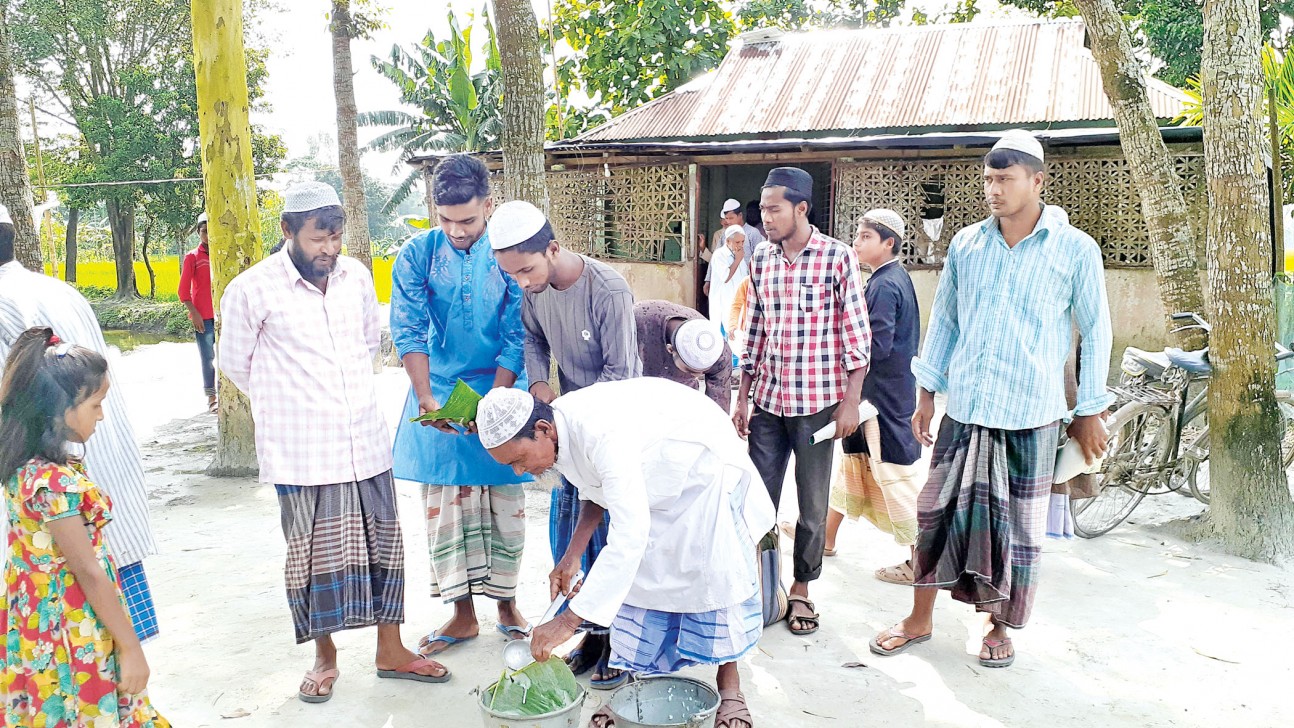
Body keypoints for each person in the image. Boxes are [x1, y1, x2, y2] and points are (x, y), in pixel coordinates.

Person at [869, 131, 1113, 668]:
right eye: (988, 179)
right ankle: (919, 618)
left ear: (1037, 180)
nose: (993, 190)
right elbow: (947, 321)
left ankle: (998, 625)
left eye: (1005, 179)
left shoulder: (1074, 249)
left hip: (1032, 414)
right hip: (968, 407)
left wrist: (1090, 408)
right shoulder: (967, 244)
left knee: (1018, 532)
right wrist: (926, 391)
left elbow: (1096, 331)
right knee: (934, 513)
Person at [219, 182, 448, 704]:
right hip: (301, 452)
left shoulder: (357, 278)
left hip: (364, 443)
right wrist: (293, 399)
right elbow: (236, 364)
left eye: (336, 237)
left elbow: (369, 340)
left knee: (384, 548)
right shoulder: (252, 289)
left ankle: (391, 649)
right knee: (310, 559)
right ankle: (325, 658)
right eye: (318, 238)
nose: (329, 249)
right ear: (288, 233)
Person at [477, 379, 773, 728]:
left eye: (519, 459)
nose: (518, 471)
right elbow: (596, 487)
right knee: (640, 579)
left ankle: (731, 689)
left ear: (542, 430)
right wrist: (572, 555)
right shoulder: (561, 430)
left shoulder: (600, 434)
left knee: (713, 578)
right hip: (654, 487)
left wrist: (567, 622)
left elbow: (630, 533)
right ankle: (631, 692)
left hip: (704, 476)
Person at [490, 200, 641, 690]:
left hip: (608, 429)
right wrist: (538, 386)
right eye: (511, 274)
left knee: (619, 536)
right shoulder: (532, 289)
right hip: (560, 432)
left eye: (527, 269)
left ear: (553, 249)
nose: (522, 282)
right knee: (571, 540)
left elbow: (622, 377)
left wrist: (576, 423)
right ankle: (592, 638)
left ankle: (622, 643)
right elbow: (532, 340)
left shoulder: (608, 289)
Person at [388, 154, 532, 657]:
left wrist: (494, 401)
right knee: (449, 508)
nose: (456, 230)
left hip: (504, 388)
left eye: (467, 220)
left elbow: (517, 332)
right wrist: (427, 397)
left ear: (487, 206)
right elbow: (407, 328)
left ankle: (509, 605)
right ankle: (462, 615)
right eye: (445, 219)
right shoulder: (417, 253)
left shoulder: (509, 252)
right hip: (440, 391)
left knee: (505, 502)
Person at [0, 204, 162, 645]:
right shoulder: (59, 290)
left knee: (80, 650)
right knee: (120, 648)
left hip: (55, 507)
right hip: (97, 474)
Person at [0, 327, 169, 726]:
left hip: (37, 619)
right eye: (95, 405)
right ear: (58, 409)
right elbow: (88, 572)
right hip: (72, 622)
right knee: (85, 703)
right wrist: (131, 647)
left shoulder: (24, 470)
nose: (101, 415)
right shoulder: (54, 483)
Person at [732, 167, 871, 636]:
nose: (765, 217)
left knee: (811, 506)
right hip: (768, 403)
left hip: (818, 406)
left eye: (774, 209)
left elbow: (857, 337)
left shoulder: (837, 258)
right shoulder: (761, 259)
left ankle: (801, 589)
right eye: (763, 208)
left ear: (801, 208)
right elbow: (753, 332)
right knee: (758, 500)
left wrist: (850, 403)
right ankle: (760, 584)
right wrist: (742, 399)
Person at [822, 210, 923, 584]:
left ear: (888, 243)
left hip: (882, 399)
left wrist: (838, 351)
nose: (857, 243)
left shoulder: (883, 284)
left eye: (865, 237)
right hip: (877, 395)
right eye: (857, 236)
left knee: (896, 477)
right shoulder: (890, 278)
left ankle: (919, 564)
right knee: (852, 469)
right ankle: (826, 540)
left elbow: (875, 347)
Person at [634, 300, 732, 412]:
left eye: (703, 371)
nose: (698, 375)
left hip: (682, 401)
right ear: (670, 349)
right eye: (689, 371)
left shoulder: (721, 355)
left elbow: (718, 411)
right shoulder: (637, 324)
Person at [178, 212, 217, 413]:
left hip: (223, 314)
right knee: (207, 357)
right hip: (204, 316)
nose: (208, 235)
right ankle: (212, 397)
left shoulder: (223, 254)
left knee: (228, 356)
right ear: (198, 232)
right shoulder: (192, 257)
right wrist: (194, 314)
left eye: (211, 230)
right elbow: (183, 292)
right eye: (204, 231)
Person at [705, 225, 749, 336]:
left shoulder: (739, 255)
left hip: (737, 304)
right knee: (723, 338)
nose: (740, 245)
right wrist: (738, 259)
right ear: (728, 241)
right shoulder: (720, 255)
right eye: (737, 242)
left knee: (737, 338)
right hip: (723, 303)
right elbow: (726, 277)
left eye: (742, 242)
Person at [718, 197, 764, 262]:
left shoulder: (752, 233)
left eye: (731, 218)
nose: (728, 222)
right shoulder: (725, 234)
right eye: (726, 218)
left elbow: (759, 260)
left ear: (740, 215)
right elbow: (717, 257)